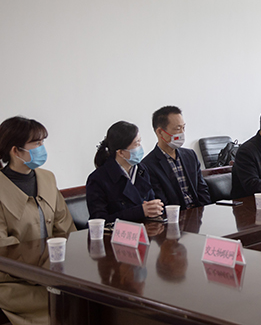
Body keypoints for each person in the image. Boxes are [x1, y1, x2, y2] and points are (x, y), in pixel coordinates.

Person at [0, 116, 76, 325]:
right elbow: (4, 247)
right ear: (16, 151)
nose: (42, 148)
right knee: (60, 307)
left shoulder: (47, 178)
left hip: (55, 272)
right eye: (37, 143)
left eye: (43, 142)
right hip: (12, 280)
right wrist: (43, 270)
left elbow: (65, 227)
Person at [86, 121, 163, 223]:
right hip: (117, 232)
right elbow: (99, 220)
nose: (140, 147)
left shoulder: (141, 169)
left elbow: (150, 200)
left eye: (140, 142)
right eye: (136, 144)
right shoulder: (98, 179)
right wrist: (139, 211)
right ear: (121, 152)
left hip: (146, 228)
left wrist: (155, 207)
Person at [142, 106, 211, 209]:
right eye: (178, 129)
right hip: (176, 215)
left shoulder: (190, 155)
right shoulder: (148, 165)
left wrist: (207, 211)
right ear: (160, 132)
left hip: (198, 212)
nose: (182, 133)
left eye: (183, 128)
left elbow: (202, 190)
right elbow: (161, 201)